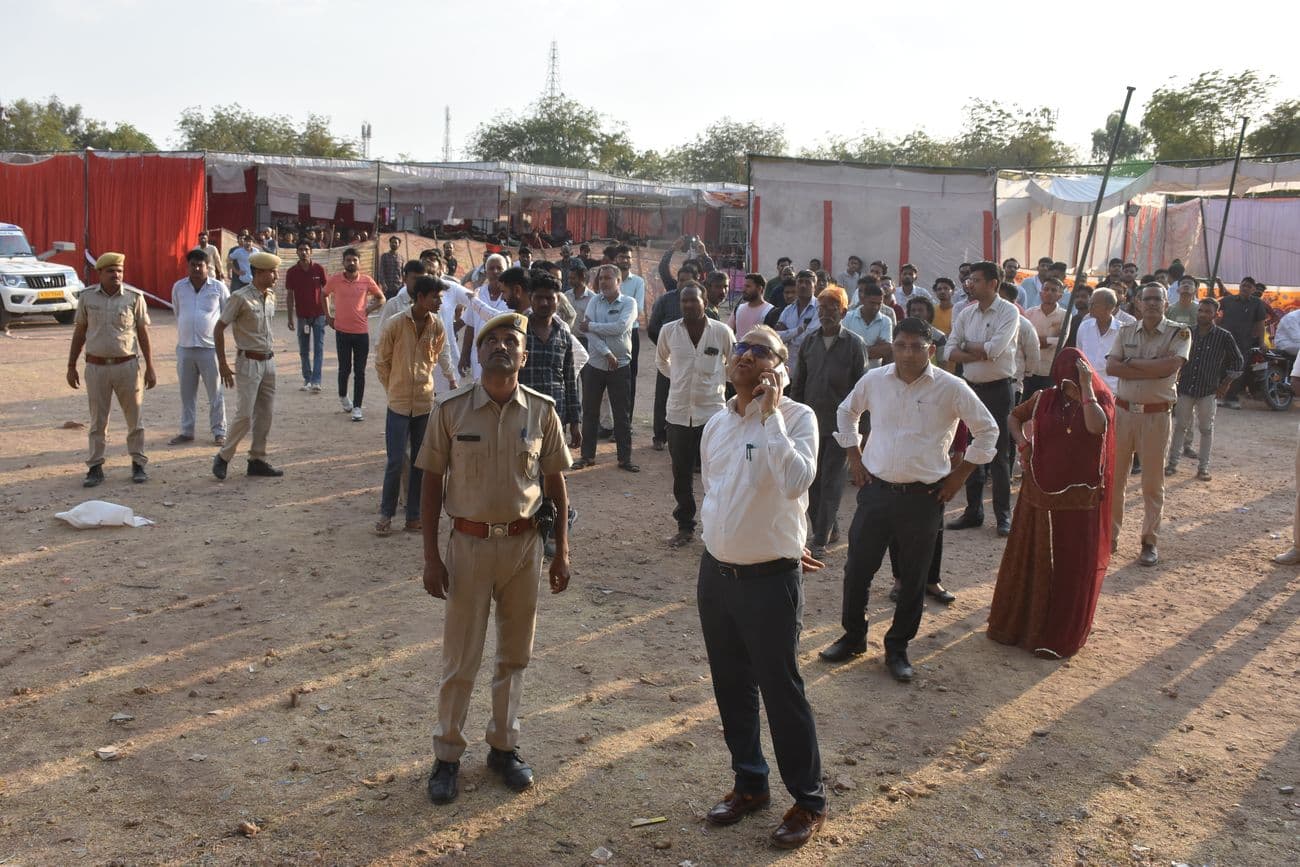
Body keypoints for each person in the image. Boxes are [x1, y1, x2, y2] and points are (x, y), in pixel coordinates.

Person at [417, 311, 572, 806]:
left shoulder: (542, 412)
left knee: (514, 655)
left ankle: (504, 747)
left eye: (512, 341)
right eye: (492, 341)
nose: (502, 346)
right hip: (467, 546)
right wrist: (430, 557)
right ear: (477, 353)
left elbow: (555, 485)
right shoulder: (452, 410)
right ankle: (447, 755)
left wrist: (561, 551)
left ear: (525, 356)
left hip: (524, 547)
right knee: (461, 656)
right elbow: (428, 482)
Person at [696, 324, 827, 850]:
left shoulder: (799, 418)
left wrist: (770, 414)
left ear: (780, 365)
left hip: (770, 581)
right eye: (741, 348)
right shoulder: (716, 422)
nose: (745, 355)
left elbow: (797, 481)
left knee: (780, 688)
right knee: (731, 685)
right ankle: (750, 782)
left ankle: (809, 800)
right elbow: (716, 491)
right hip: (717, 574)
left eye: (759, 350)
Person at [819, 318, 998, 681]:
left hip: (924, 496)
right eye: (901, 345)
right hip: (876, 492)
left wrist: (958, 477)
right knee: (858, 570)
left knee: (913, 578)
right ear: (892, 346)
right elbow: (846, 411)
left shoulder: (951, 387)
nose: (907, 353)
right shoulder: (874, 380)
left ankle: (897, 648)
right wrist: (854, 454)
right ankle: (853, 637)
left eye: (917, 346)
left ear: (931, 350)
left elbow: (987, 430)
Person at [987, 348, 1115, 658]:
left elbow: (1096, 426)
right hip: (1039, 491)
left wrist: (1085, 388)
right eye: (1064, 382)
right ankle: (1023, 627)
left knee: (1072, 565)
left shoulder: (1100, 399)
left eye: (1072, 382)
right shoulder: (1045, 398)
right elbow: (1014, 417)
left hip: (1080, 498)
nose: (1066, 387)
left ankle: (1060, 632)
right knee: (1036, 559)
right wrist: (1023, 442)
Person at [1105, 283, 1191, 566]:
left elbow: (1169, 368)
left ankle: (1149, 542)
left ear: (1166, 303)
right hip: (1124, 414)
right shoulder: (1126, 331)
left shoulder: (1179, 332)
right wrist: (1150, 364)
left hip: (1156, 415)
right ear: (1138, 303)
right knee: (1115, 481)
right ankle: (1110, 537)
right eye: (1147, 299)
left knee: (1152, 483)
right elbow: (1112, 368)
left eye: (1158, 299)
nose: (1152, 303)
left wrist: (1132, 362)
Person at [66, 252, 157, 486]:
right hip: (96, 367)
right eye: (111, 271)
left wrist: (150, 367)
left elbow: (143, 334)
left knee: (134, 419)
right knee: (98, 421)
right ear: (100, 274)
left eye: (119, 271)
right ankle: (95, 467)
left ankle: (138, 464)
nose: (116, 275)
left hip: (127, 366)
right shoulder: (87, 298)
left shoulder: (134, 298)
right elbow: (80, 332)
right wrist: (71, 365)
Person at [946, 261, 1022, 537]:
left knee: (999, 455)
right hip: (970, 390)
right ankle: (972, 512)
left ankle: (1003, 516)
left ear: (993, 284)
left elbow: (995, 349)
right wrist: (975, 350)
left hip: (998, 390)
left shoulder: (1008, 312)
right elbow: (949, 352)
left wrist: (969, 347)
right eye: (970, 280)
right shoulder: (966, 314)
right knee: (969, 451)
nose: (970, 284)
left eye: (976, 280)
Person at [789, 286, 865, 560]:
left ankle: (819, 538)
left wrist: (859, 432)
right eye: (822, 309)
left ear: (843, 312)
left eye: (832, 309)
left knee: (832, 482)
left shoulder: (854, 344)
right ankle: (829, 527)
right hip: (809, 424)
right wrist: (793, 417)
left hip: (841, 427)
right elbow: (798, 385)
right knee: (811, 480)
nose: (826, 314)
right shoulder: (809, 342)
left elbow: (861, 389)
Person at [657, 283, 735, 547]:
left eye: (693, 300)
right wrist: (679, 378)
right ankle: (685, 527)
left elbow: (733, 364)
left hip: (712, 415)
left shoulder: (722, 332)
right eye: (684, 301)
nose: (688, 305)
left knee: (717, 474)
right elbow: (661, 362)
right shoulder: (669, 331)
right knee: (681, 474)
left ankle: (718, 528)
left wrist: (718, 383)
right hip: (678, 414)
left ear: (704, 301)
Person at [374, 276, 450, 535]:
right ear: (420, 298)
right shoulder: (395, 325)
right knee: (395, 461)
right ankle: (386, 513)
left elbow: (438, 356)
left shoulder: (437, 326)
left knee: (420, 462)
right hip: (398, 404)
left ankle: (414, 515)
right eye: (435, 297)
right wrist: (393, 388)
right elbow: (381, 362)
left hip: (424, 404)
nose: (440, 301)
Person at [212, 251, 284, 480]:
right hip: (248, 362)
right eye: (272, 272)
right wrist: (222, 363)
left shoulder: (270, 296)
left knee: (265, 414)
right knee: (244, 414)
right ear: (259, 272)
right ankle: (224, 457)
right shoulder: (240, 297)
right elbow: (218, 328)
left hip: (268, 361)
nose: (276, 275)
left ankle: (257, 459)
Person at [1165, 297, 1242, 482]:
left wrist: (1225, 384)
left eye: (1208, 311)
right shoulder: (1187, 333)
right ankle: (1172, 464)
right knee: (1180, 426)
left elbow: (1238, 361)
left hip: (1208, 390)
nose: (1203, 314)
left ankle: (1203, 467)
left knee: (1206, 429)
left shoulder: (1224, 336)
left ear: (1216, 314)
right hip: (1186, 388)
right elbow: (1173, 353)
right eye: (1201, 311)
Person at [574, 264, 638, 471]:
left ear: (618, 282)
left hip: (621, 366)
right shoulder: (594, 301)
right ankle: (587, 456)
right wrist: (606, 352)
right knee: (590, 412)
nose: (603, 282)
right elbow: (588, 335)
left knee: (622, 414)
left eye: (608, 278)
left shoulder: (629, 303)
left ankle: (624, 458)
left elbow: (621, 327)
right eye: (601, 278)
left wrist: (592, 326)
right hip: (596, 365)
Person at [169, 249, 229, 446]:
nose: (196, 268)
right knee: (186, 394)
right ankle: (187, 431)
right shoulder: (179, 287)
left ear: (207, 266)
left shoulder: (218, 288)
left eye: (200, 265)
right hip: (185, 348)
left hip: (210, 349)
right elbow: (178, 312)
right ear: (188, 266)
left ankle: (219, 432)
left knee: (216, 393)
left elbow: (227, 314)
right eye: (192, 265)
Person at [324, 248, 386, 422]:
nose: (351, 263)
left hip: (361, 333)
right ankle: (343, 396)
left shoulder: (366, 280)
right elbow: (324, 294)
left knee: (360, 371)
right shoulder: (335, 280)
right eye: (348, 260)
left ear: (359, 262)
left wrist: (368, 310)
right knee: (345, 369)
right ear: (343, 262)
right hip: (342, 332)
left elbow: (381, 298)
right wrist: (328, 316)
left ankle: (357, 407)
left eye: (354, 260)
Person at [285, 240, 329, 392]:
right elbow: (290, 296)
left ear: (311, 252)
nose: (303, 252)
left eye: (306, 249)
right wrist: (290, 318)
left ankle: (316, 380)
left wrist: (328, 314)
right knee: (304, 350)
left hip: (319, 314)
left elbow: (326, 292)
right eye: (301, 249)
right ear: (296, 252)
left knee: (319, 348)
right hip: (302, 316)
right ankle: (307, 379)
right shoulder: (291, 272)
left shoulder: (319, 269)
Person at [458, 254, 510, 382]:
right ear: (486, 272)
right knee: (481, 392)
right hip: (480, 355)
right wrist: (464, 355)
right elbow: (470, 326)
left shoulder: (511, 296)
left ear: (506, 271)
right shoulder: (478, 293)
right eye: (491, 268)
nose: (495, 272)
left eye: (499, 268)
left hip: (504, 354)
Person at [1218, 277, 1267, 409]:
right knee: (1222, 368)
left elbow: (1261, 324)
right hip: (1223, 341)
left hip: (1244, 343)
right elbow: (1214, 313)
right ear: (1239, 286)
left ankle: (1232, 398)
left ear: (1253, 289)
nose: (1245, 288)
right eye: (1243, 285)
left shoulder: (1257, 303)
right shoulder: (1228, 300)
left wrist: (1262, 342)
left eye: (1249, 286)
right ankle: (1219, 397)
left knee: (1238, 371)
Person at [613, 244, 646, 416]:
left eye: (627, 257)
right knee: (609, 377)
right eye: (621, 257)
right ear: (615, 259)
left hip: (630, 334)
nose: (624, 260)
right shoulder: (608, 280)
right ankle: (608, 423)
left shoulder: (638, 282)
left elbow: (638, 309)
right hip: (610, 334)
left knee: (629, 378)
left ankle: (627, 420)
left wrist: (617, 321)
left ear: (631, 260)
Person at [1023, 277, 1065, 398]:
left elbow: (1059, 342)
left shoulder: (1065, 316)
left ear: (1060, 295)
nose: (1049, 293)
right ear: (1041, 293)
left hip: (1050, 371)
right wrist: (1045, 340)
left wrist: (1036, 340)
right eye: (1046, 289)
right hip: (1029, 370)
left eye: (1053, 290)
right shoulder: (1030, 313)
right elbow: (1025, 341)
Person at [1077, 288, 1125, 395]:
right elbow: (1079, 355)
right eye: (1090, 303)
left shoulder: (1123, 331)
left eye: (1094, 304)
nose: (1090, 307)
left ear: (1109, 307)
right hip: (1087, 389)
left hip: (1113, 391)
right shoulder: (1084, 327)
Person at [774, 270, 819, 374]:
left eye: (807, 282)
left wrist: (788, 336)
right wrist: (799, 330)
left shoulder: (820, 308)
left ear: (814, 287)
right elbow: (776, 337)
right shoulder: (788, 310)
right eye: (800, 281)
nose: (803, 285)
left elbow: (809, 338)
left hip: (810, 368)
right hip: (788, 368)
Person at [730, 273, 774, 341]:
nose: (744, 290)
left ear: (759, 288)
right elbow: (728, 331)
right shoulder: (738, 309)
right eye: (744, 286)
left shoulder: (770, 311)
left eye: (748, 286)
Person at [378, 235, 404, 299]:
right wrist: (383, 284)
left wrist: (403, 286)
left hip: (398, 288)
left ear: (399, 245)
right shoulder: (384, 256)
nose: (394, 244)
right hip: (387, 288)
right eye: (392, 242)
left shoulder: (401, 258)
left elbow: (402, 273)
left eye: (396, 243)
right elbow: (381, 272)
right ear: (390, 244)